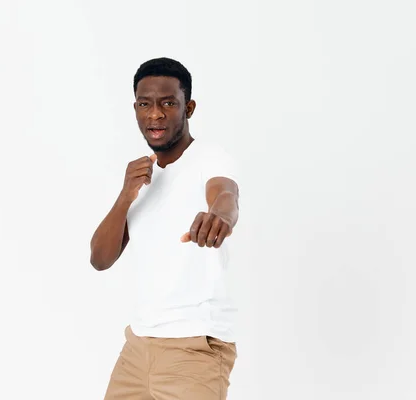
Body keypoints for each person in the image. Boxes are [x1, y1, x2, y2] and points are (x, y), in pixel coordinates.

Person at [90, 57, 240, 400]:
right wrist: (125, 195)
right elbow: (99, 258)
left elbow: (226, 195)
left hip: (192, 351)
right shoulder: (142, 179)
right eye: (145, 104)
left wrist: (219, 217)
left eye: (167, 103)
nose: (155, 114)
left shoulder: (209, 158)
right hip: (136, 348)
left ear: (188, 107)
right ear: (136, 109)